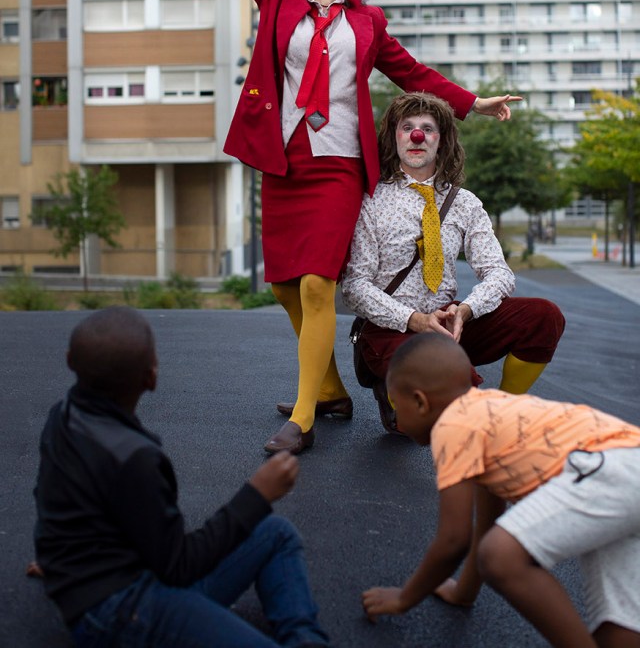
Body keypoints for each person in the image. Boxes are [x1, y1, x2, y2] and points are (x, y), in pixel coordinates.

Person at [199, 0, 521, 455]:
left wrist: (473, 103)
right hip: (285, 159)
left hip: (340, 163)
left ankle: (303, 422)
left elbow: (412, 72)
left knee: (320, 285)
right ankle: (328, 389)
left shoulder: (367, 23)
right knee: (285, 288)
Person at [33, 306, 332, 648]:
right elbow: (179, 566)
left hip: (103, 584)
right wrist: (257, 494)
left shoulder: (63, 416)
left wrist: (56, 558)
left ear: (70, 360)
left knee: (274, 533)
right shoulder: (136, 457)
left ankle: (306, 640)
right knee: (264, 525)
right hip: (118, 611)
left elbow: (48, 494)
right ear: (152, 377)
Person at [361, 334, 640, 648]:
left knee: (501, 555)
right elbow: (489, 521)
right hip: (628, 464)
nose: (397, 417)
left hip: (602, 470)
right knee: (618, 630)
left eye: (396, 404)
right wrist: (463, 592)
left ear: (420, 401)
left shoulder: (452, 426)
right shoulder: (489, 416)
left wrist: (405, 598)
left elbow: (454, 540)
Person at [342, 91, 565, 436]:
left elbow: (499, 274)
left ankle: (498, 415)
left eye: (428, 129)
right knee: (451, 389)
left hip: (449, 325)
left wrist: (465, 311)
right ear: (394, 137)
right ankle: (404, 395)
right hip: (392, 331)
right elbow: (355, 288)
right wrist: (414, 320)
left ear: (441, 140)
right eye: (408, 127)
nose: (417, 136)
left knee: (544, 316)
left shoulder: (465, 203)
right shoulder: (370, 200)